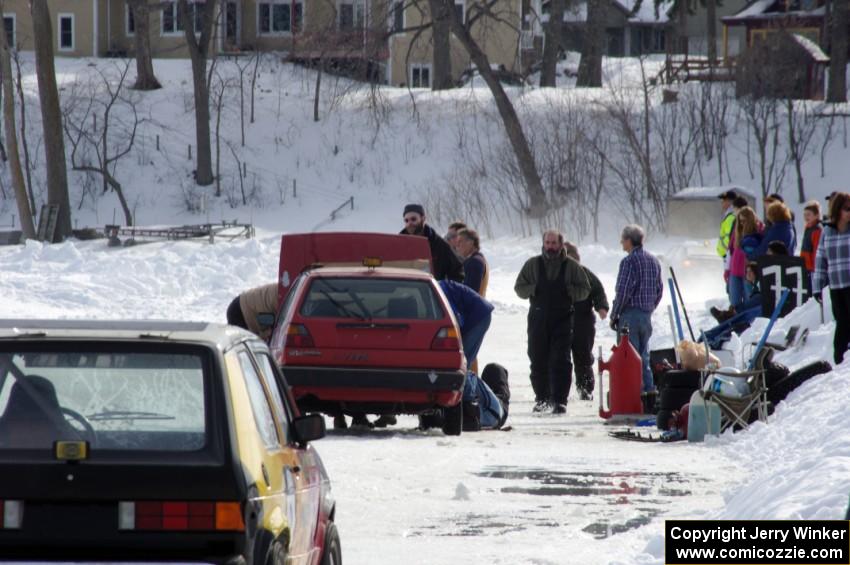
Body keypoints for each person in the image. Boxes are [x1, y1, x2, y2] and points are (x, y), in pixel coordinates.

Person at [514, 230, 591, 414]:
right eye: (547, 242)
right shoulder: (533, 264)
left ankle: (559, 401)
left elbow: (585, 289)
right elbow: (519, 287)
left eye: (553, 243)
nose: (550, 246)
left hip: (562, 319)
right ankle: (542, 399)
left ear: (560, 244)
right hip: (537, 319)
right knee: (537, 359)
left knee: (560, 360)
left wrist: (569, 292)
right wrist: (533, 289)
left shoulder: (571, 266)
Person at [610, 224, 663, 393]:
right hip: (646, 315)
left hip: (630, 316)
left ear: (628, 241)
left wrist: (615, 314)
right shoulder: (653, 260)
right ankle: (649, 392)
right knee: (643, 357)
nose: (620, 243)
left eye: (622, 240)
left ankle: (633, 395)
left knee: (629, 358)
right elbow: (659, 290)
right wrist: (649, 307)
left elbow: (623, 291)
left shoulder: (628, 261)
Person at [563, 241, 609, 401]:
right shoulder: (555, 274)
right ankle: (559, 390)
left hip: (582, 320)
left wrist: (601, 306)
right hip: (561, 320)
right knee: (560, 358)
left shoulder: (584, 273)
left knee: (583, 356)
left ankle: (585, 389)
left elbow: (598, 290)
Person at [813, 191, 850, 365]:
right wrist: (817, 286)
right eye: (846, 209)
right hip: (836, 285)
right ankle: (840, 357)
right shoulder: (827, 231)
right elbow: (821, 259)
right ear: (838, 210)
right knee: (841, 320)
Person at [400, 204, 464, 282]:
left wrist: (445, 288)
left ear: (423, 219)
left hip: (430, 291)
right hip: (403, 290)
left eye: (413, 219)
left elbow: (457, 272)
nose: (409, 223)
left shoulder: (439, 244)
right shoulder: (399, 244)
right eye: (406, 220)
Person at [727, 207, 762, 310]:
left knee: (749, 302)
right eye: (740, 221)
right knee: (734, 302)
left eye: (744, 221)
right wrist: (728, 271)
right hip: (735, 270)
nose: (742, 224)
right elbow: (731, 251)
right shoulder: (737, 231)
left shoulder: (758, 230)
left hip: (748, 271)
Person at [455, 228, 489, 297]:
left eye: (460, 241)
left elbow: (469, 293)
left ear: (471, 242)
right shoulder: (480, 259)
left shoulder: (474, 262)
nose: (457, 245)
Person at [800, 200, 823, 283]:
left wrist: (816, 266)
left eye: (809, 214)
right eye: (805, 215)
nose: (806, 217)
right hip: (806, 265)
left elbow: (817, 249)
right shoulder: (808, 228)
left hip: (813, 267)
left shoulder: (817, 230)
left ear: (816, 215)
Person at [716, 190, 737, 264]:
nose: (722, 203)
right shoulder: (728, 215)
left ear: (730, 202)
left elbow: (729, 237)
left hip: (729, 256)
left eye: (724, 200)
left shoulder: (731, 217)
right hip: (727, 255)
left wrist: (726, 251)